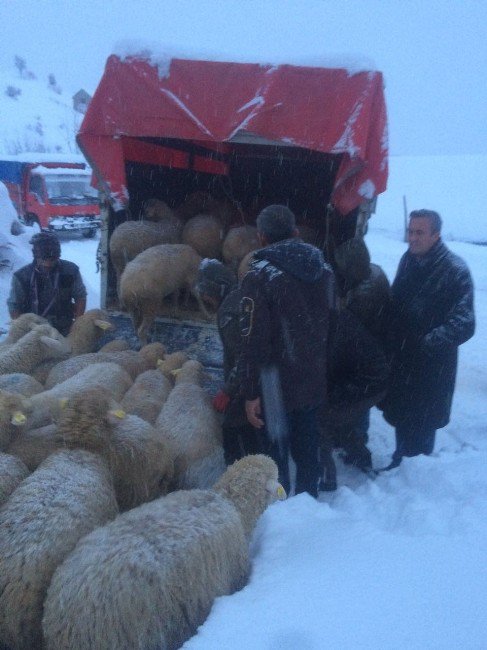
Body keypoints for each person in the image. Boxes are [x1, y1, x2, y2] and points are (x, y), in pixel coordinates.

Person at [238, 204, 334, 497]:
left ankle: (279, 512)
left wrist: (250, 392)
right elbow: (335, 323)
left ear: (261, 237)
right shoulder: (325, 271)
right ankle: (307, 505)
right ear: (295, 232)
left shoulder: (259, 276)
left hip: (274, 386)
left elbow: (254, 340)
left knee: (275, 456)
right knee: (308, 450)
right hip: (312, 378)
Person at [380, 209, 475, 469]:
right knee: (401, 416)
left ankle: (417, 477)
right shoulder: (408, 260)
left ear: (436, 235)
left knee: (422, 423)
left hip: (431, 368)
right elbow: (396, 302)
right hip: (401, 361)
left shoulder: (455, 270)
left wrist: (426, 342)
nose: (412, 238)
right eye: (410, 231)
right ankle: (400, 460)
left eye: (419, 232)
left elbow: (465, 323)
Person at [196, 258, 266, 465]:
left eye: (206, 293)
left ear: (216, 289)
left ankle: (238, 467)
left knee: (234, 426)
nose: (205, 298)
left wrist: (228, 390)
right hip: (260, 377)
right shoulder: (242, 295)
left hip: (247, 381)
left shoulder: (229, 311)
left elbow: (245, 356)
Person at [331, 236, 392, 469]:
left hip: (363, 358)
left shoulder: (365, 296)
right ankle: (354, 441)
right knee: (358, 406)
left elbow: (348, 325)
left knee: (356, 407)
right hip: (370, 353)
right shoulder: (374, 272)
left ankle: (357, 449)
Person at [7, 231, 87, 336]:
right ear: (35, 256)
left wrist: (77, 324)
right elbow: (14, 306)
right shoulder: (22, 277)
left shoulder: (71, 270)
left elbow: (80, 296)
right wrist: (23, 330)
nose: (48, 265)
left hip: (64, 328)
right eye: (44, 260)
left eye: (53, 260)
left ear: (58, 255)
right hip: (33, 330)